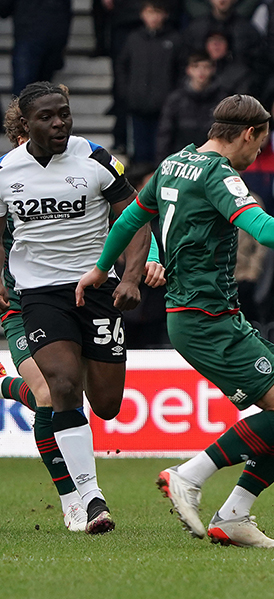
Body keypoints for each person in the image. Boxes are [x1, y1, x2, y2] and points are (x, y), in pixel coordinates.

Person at [76, 94, 274, 549]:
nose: (258, 155)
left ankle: (234, 516)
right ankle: (189, 475)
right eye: (259, 145)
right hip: (206, 319)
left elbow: (129, 217)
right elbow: (261, 228)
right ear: (248, 134)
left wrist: (101, 266)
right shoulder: (218, 174)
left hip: (207, 316)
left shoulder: (173, 163)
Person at [0, 81, 161, 534]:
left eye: (65, 114)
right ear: (25, 124)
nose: (59, 123)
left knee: (106, 405)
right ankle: (89, 499)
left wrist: (130, 276)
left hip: (96, 289)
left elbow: (134, 217)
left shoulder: (96, 160)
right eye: (48, 117)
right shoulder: (6, 170)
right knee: (62, 385)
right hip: (39, 294)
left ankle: (14, 390)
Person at [116, 0, 182, 163]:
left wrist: (174, 97)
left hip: (164, 108)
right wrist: (127, 93)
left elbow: (180, 70)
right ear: (142, 15)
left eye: (157, 12)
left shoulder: (174, 39)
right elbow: (122, 66)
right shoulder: (133, 39)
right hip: (137, 105)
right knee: (139, 152)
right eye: (150, 12)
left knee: (162, 151)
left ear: (165, 15)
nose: (154, 17)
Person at [156, 53, 225, 161]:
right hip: (180, 160)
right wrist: (162, 164)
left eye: (206, 67)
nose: (201, 71)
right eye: (196, 66)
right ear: (188, 70)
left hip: (211, 161)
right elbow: (165, 134)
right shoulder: (175, 100)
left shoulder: (222, 100)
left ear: (213, 69)